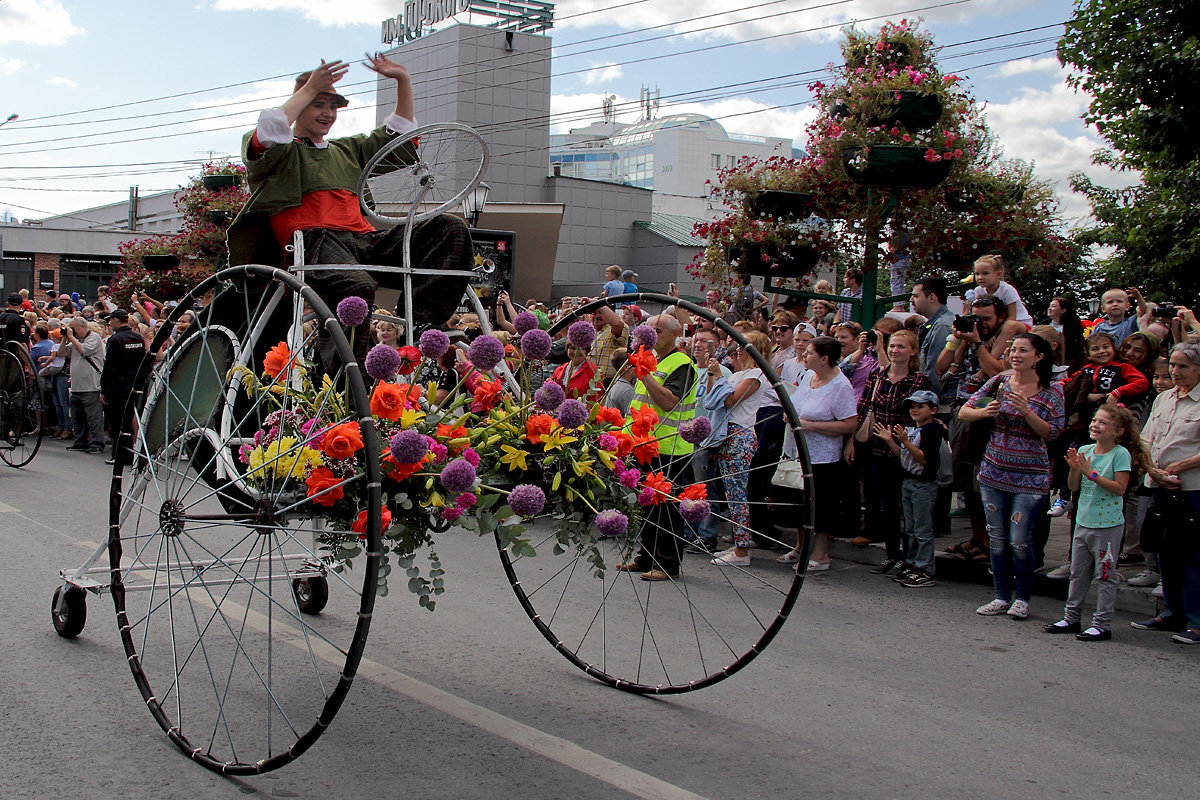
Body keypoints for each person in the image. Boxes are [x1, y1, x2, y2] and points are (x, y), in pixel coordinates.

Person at [225, 55, 472, 369]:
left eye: (332, 107)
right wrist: (309, 88)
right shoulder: (281, 152)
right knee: (357, 287)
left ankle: (419, 325)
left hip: (363, 243)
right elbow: (270, 131)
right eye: (318, 104)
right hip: (315, 242)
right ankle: (345, 385)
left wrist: (403, 81)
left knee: (450, 229)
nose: (327, 113)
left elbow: (401, 139)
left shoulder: (348, 149)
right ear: (298, 105)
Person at [960, 332, 1065, 619]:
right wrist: (983, 413)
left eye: (1023, 350)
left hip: (1030, 476)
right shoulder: (999, 382)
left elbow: (1053, 432)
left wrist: (1027, 412)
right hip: (994, 470)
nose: (1015, 355)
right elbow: (964, 411)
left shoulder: (1052, 390)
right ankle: (1001, 595)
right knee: (997, 536)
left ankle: (1024, 598)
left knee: (1020, 539)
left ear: (1039, 357)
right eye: (1013, 349)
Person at [1044, 403, 1145, 640]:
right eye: (1094, 421)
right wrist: (1074, 470)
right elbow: (1073, 487)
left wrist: (1091, 472)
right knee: (1078, 574)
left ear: (1119, 431)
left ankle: (1102, 624)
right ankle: (1071, 617)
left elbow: (1120, 489)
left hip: (1107, 527)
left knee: (1105, 575)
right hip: (1083, 522)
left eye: (1103, 423)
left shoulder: (1120, 454)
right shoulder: (1086, 450)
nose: (1095, 426)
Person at [615, 313, 697, 581]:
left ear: (675, 335)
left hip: (669, 447)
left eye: (658, 331)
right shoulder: (652, 359)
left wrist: (645, 374)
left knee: (666, 509)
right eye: (649, 331)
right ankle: (645, 556)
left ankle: (668, 564)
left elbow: (668, 402)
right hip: (642, 445)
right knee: (646, 505)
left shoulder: (682, 364)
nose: (652, 336)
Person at [1130, 343, 1200, 643]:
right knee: (1167, 551)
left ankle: (1196, 620)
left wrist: (1181, 466)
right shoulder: (1163, 399)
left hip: (1192, 487)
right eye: (1173, 364)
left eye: (1183, 366)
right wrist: (1152, 469)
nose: (1175, 371)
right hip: (1160, 485)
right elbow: (1145, 439)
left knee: (1193, 555)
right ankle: (1173, 613)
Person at [850, 329, 930, 571]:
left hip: (904, 448)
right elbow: (864, 407)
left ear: (913, 351)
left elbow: (920, 416)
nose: (896, 351)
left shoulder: (918, 381)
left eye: (901, 347)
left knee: (907, 506)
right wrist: (851, 441)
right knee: (886, 504)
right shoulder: (878, 375)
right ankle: (892, 553)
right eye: (892, 346)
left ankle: (911, 557)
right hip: (877, 447)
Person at [775, 336, 858, 570]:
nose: (804, 355)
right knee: (799, 502)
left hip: (822, 457)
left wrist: (810, 426)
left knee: (821, 504)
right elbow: (796, 403)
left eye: (810, 352)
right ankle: (800, 546)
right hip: (797, 451)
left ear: (825, 359)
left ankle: (820, 554)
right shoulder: (809, 376)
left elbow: (849, 423)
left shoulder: (841, 386)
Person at [710, 330, 772, 567]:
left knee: (737, 493)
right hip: (727, 432)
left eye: (741, 346)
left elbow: (729, 399)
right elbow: (714, 397)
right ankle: (739, 543)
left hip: (739, 434)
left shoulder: (756, 374)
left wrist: (718, 376)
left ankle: (742, 548)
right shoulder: (740, 372)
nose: (736, 349)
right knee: (731, 491)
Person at [874, 389, 945, 587]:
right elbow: (903, 455)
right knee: (911, 528)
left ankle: (925, 568)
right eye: (912, 407)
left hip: (923, 484)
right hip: (908, 481)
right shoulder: (910, 428)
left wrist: (905, 441)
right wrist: (890, 440)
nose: (915, 410)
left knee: (922, 529)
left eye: (920, 406)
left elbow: (924, 459)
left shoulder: (932, 431)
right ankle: (912, 562)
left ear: (933, 410)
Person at [100, 309, 147, 464]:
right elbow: (143, 362)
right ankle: (128, 454)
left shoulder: (116, 339)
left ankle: (119, 455)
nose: (109, 323)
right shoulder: (138, 338)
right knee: (128, 420)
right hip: (133, 383)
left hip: (117, 385)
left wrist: (103, 389)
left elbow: (110, 366)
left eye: (110, 320)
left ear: (116, 320)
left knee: (118, 422)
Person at [60, 316, 106, 454]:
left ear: (82, 326)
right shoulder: (75, 341)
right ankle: (80, 441)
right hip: (76, 386)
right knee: (77, 416)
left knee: (93, 417)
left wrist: (71, 337)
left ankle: (97, 443)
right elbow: (62, 353)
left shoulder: (94, 338)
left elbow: (83, 350)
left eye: (73, 328)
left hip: (91, 386)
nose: (72, 331)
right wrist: (64, 338)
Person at [967, 254, 1033, 328]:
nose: (980, 277)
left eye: (985, 273)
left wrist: (997, 333)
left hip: (1019, 323)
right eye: (977, 274)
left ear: (998, 274)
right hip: (996, 324)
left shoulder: (1007, 290)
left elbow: (1012, 317)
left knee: (1009, 326)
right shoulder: (978, 290)